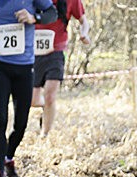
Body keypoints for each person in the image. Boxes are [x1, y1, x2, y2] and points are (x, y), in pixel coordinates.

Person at [0, 0, 58, 177]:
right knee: (0, 118)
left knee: (21, 125)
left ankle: (8, 157)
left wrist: (33, 17)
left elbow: (52, 13)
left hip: (24, 67)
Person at [32, 0, 90, 135]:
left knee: (50, 96)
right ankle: (46, 108)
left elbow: (84, 21)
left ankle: (45, 135)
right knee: (32, 100)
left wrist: (84, 33)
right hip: (33, 52)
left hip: (56, 52)